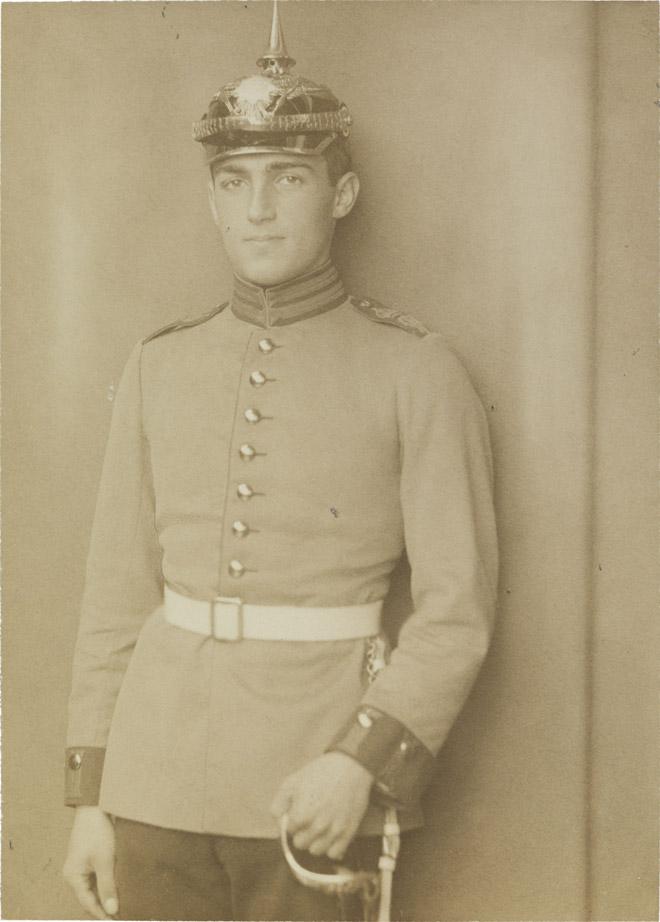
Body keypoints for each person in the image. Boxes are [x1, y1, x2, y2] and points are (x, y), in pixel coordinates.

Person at [62, 5, 498, 920]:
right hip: (153, 783)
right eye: (234, 180)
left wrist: (358, 762)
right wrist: (92, 796)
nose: (256, 207)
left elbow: (457, 613)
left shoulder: (418, 370)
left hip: (311, 781)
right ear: (211, 196)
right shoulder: (160, 362)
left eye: (287, 176)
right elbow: (114, 598)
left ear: (340, 194)